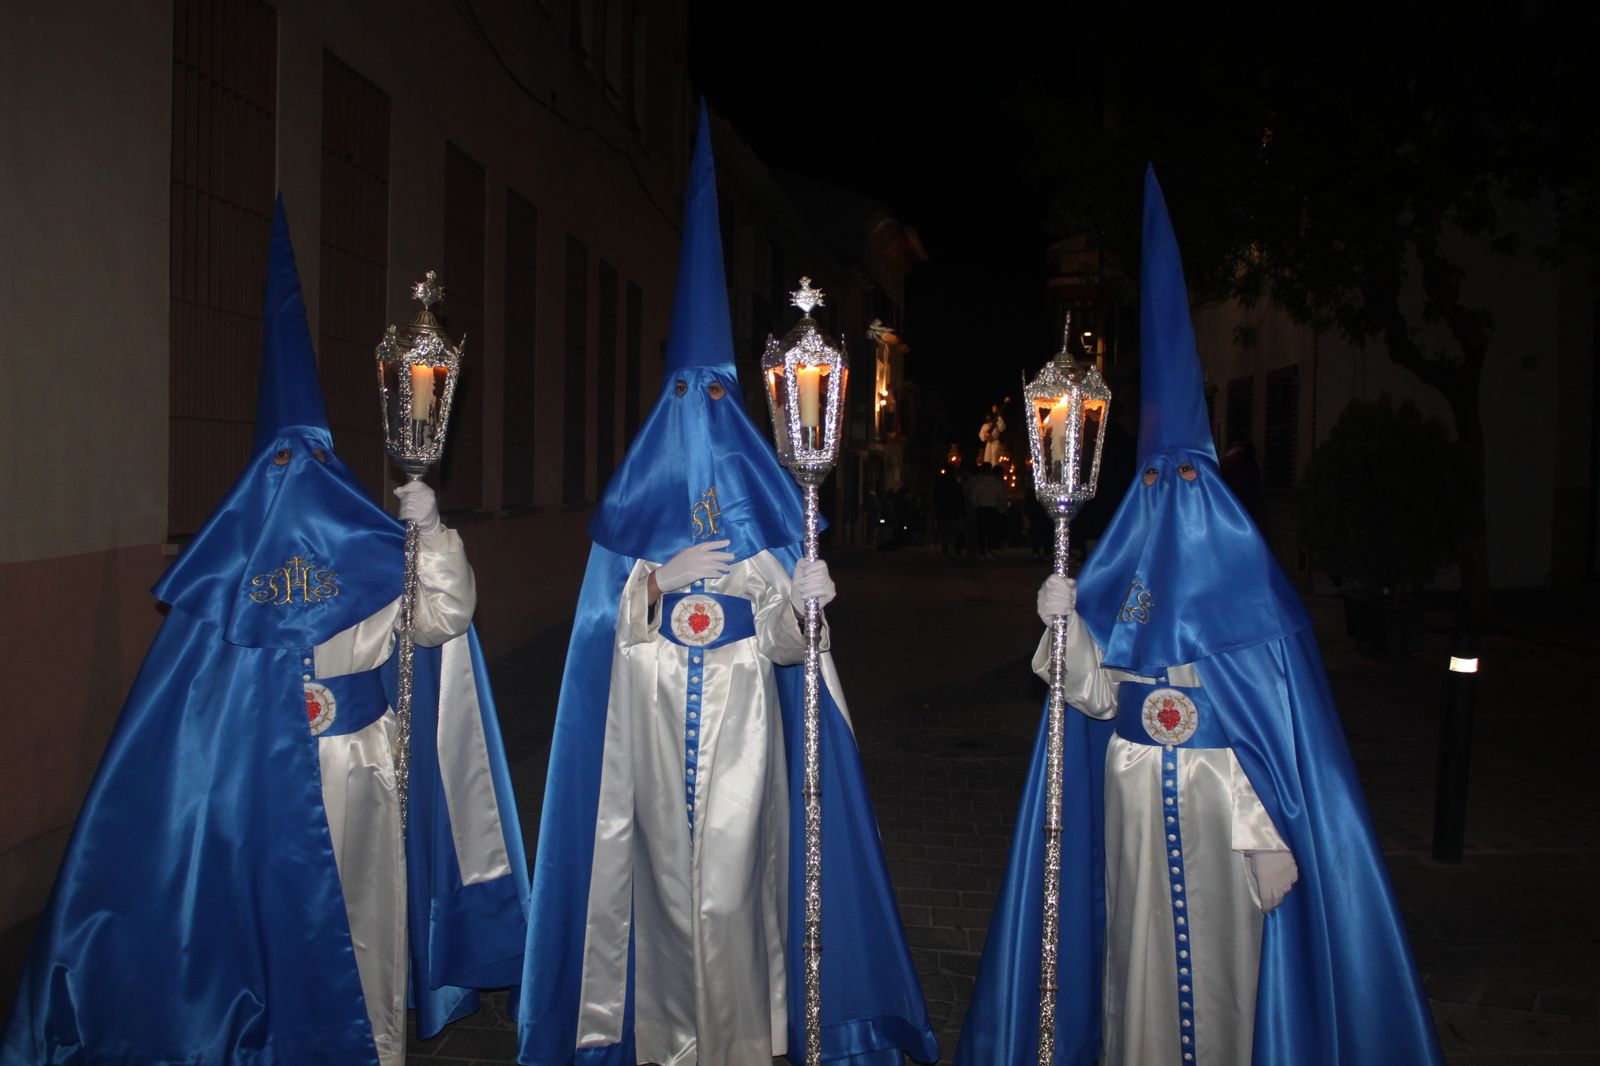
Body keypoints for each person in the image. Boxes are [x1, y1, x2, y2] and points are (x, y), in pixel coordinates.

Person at [2, 201, 529, 1066]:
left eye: (307, 465)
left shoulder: (370, 546)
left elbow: (442, 617)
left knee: (364, 929)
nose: (294, 488)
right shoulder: (229, 569)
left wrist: (430, 533)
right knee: (269, 933)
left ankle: (376, 1049)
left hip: (361, 767)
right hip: (261, 784)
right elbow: (184, 718)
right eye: (276, 468)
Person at [955, 169, 1442, 1066]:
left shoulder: (1252, 593)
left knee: (1224, 988)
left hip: (1224, 816)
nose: (1168, 499)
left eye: (1184, 480)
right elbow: (1093, 702)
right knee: (1137, 971)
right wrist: (1064, 628)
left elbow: (1276, 734)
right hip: (1134, 798)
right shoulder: (1119, 574)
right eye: (1155, 481)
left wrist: (1266, 836)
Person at [516, 106, 937, 1066]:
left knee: (742, 881)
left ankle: (746, 1040)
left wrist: (803, 600)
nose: (700, 420)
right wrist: (651, 585)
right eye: (685, 397)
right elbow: (598, 642)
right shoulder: (633, 510)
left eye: (716, 397)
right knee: (665, 883)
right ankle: (666, 1042)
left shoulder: (762, 502)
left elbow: (793, 651)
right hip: (656, 726)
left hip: (746, 720)